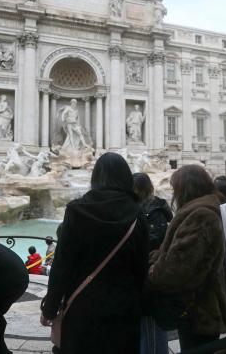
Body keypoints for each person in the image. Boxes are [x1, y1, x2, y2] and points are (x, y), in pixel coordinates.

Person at [40, 152, 149, 354]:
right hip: (124, 307)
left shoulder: (77, 210)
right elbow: (141, 266)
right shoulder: (137, 213)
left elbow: (62, 265)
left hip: (82, 307)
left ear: (96, 177)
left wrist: (50, 307)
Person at [147, 165, 226, 351]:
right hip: (201, 302)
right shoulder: (206, 209)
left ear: (187, 188)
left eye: (176, 188)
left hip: (198, 308)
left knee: (196, 348)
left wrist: (153, 270)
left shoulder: (200, 215)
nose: (174, 193)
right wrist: (158, 256)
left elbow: (176, 269)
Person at [133, 172, 172, 354]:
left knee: (152, 332)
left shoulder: (153, 211)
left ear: (138, 189)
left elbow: (152, 243)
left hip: (150, 282)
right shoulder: (148, 208)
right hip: (144, 280)